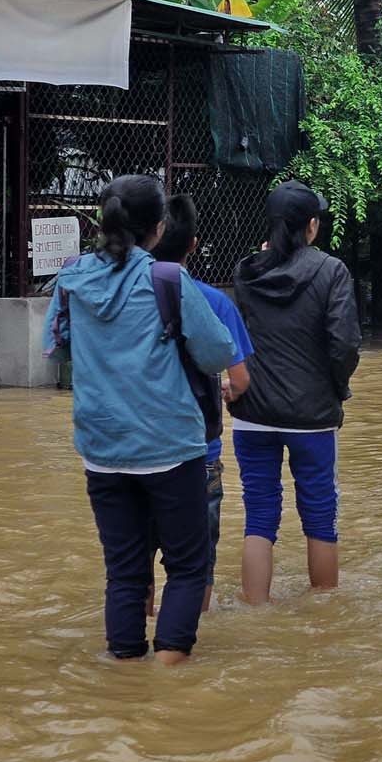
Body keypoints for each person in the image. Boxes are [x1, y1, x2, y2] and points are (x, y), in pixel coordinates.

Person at [43, 174, 236, 664]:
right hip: (170, 447)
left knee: (125, 571)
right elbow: (217, 354)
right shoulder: (168, 279)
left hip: (102, 449)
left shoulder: (71, 278)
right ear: (158, 227)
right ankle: (169, 681)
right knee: (188, 567)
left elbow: (56, 351)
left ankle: (125, 676)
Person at [229, 180, 361, 605]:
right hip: (312, 415)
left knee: (260, 515)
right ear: (311, 226)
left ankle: (254, 609)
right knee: (320, 515)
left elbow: (240, 338)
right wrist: (337, 390)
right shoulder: (331, 270)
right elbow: (344, 345)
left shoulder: (246, 270)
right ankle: (323, 613)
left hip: (252, 413)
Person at [150, 193, 253, 612]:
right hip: (197, 451)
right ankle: (191, 636)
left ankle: (133, 645)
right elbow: (240, 379)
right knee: (196, 562)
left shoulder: (129, 296)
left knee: (137, 558)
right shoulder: (214, 301)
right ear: (194, 245)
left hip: (137, 446)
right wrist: (226, 392)